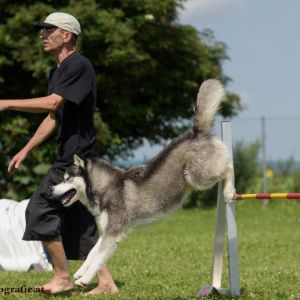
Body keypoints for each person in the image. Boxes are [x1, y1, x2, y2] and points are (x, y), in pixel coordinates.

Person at [0, 12, 118, 295]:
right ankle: (106, 283)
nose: (43, 35)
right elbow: (55, 114)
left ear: (67, 35)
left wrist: (7, 103)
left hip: (76, 160)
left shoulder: (78, 64)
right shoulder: (58, 71)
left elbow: (53, 101)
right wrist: (26, 149)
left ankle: (63, 278)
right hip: (75, 156)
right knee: (80, 221)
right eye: (42, 30)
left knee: (39, 209)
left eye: (49, 30)